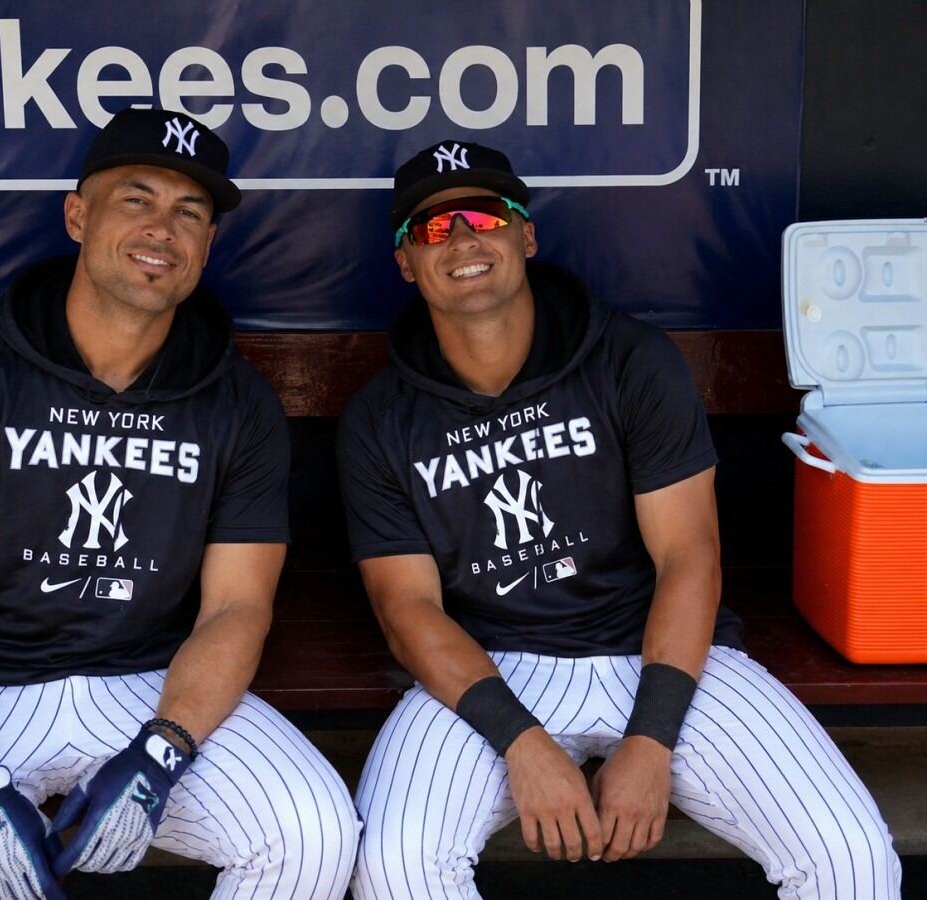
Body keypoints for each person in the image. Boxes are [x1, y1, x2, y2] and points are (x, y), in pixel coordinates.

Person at [0, 108, 359, 900]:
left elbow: (236, 608)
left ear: (208, 245)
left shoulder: (237, 403)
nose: (163, 229)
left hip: (150, 680)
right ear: (78, 215)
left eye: (190, 213)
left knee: (314, 835)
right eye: (136, 199)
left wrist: (163, 751)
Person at [337, 139, 901, 899]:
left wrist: (653, 736)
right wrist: (521, 741)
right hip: (493, 663)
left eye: (484, 215)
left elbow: (689, 556)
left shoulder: (628, 359)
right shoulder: (381, 418)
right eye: (433, 229)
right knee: (395, 865)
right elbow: (405, 610)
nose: (463, 239)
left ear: (524, 234)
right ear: (406, 262)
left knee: (853, 858)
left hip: (657, 647)